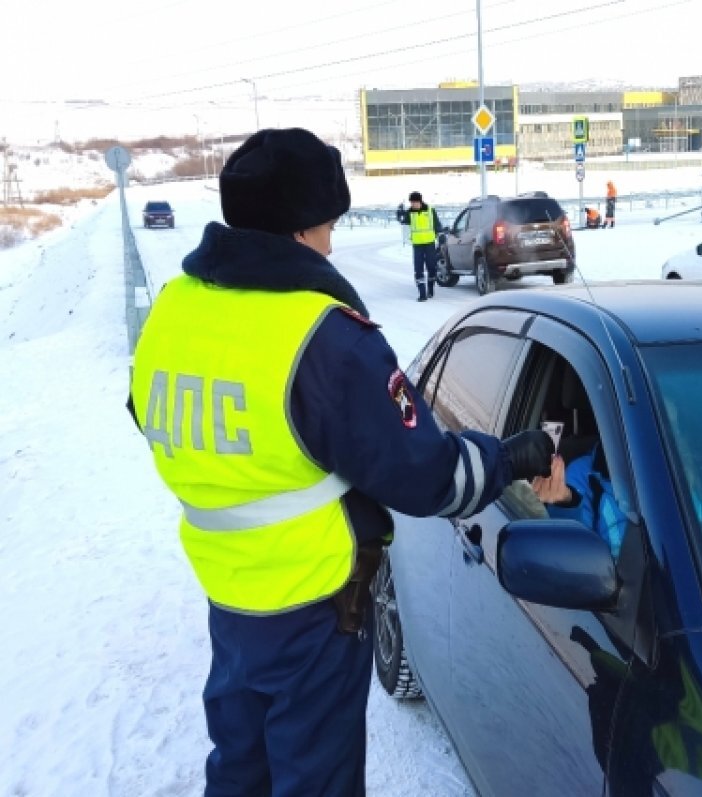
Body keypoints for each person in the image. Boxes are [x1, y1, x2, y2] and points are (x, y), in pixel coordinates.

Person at [127, 127, 553, 797]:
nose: (331, 240)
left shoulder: (174, 310)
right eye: (328, 225)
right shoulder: (322, 336)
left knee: (240, 768)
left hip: (228, 593)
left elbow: (147, 414)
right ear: (301, 229)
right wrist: (513, 456)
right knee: (312, 779)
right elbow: (426, 475)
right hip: (314, 602)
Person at [397, 190, 443, 301]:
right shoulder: (410, 212)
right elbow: (403, 221)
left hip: (429, 244)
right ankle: (422, 294)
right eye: (411, 203)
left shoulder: (430, 211)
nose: (413, 205)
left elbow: (437, 224)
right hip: (417, 245)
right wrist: (399, 213)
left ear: (420, 201)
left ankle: (430, 289)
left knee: (431, 267)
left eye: (415, 202)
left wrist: (440, 234)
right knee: (418, 269)